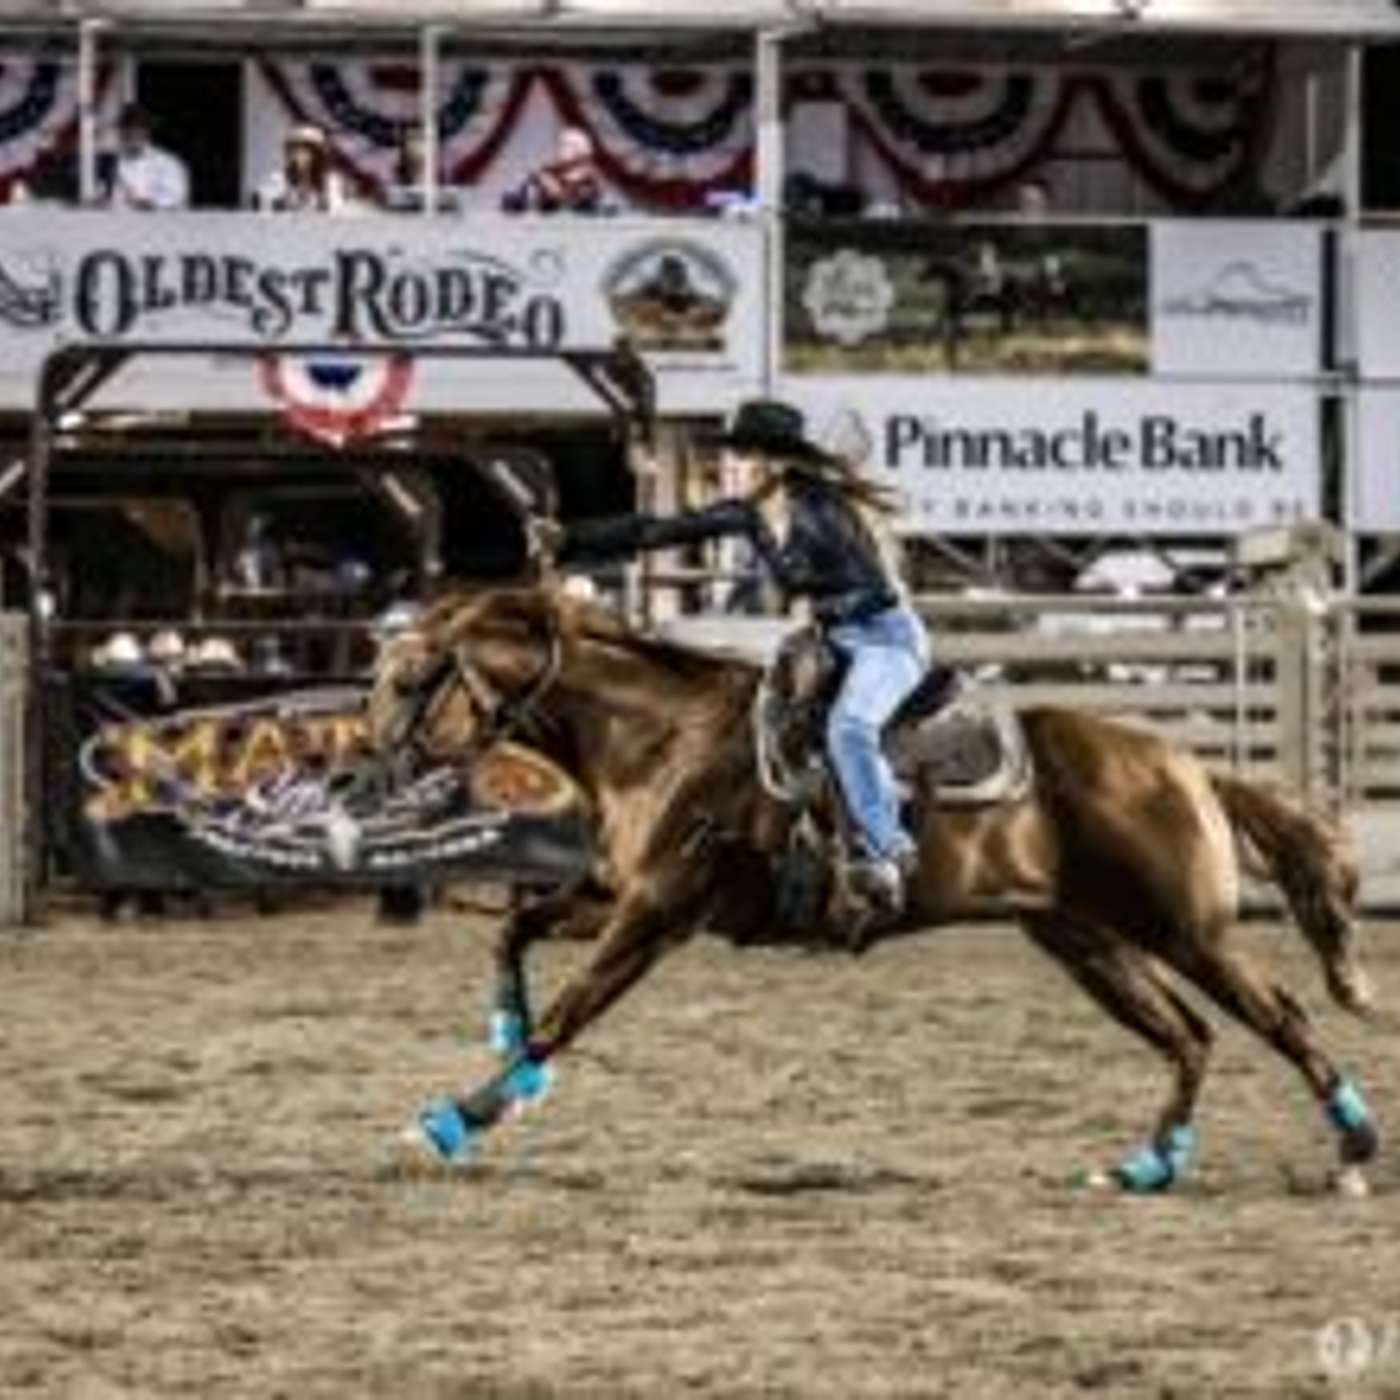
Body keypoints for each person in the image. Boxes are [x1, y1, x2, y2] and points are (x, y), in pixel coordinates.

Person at [557, 398, 931, 914]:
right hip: (831, 639)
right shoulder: (750, 515)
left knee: (849, 729)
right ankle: (795, 852)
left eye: (742, 456)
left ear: (774, 464)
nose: (729, 467)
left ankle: (888, 847)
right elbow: (655, 531)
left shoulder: (824, 510)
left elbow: (850, 581)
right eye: (731, 457)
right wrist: (571, 538)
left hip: (884, 639)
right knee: (759, 722)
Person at [102, 104, 189, 211]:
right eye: (127, 129)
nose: (132, 134)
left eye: (138, 129)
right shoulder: (112, 164)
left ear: (147, 131)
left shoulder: (167, 164)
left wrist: (149, 203)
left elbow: (176, 198)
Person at [502, 126, 604, 215]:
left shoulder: (587, 174)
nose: (560, 150)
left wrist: (555, 188)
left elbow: (583, 194)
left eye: (565, 146)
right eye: (561, 145)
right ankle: (519, 200)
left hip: (571, 210)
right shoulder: (553, 170)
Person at [257, 124, 345, 213]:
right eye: (295, 148)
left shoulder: (330, 182)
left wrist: (324, 200)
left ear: (317, 154)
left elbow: (336, 209)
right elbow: (264, 204)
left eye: (307, 148)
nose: (300, 153)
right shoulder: (278, 179)